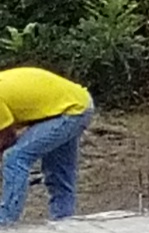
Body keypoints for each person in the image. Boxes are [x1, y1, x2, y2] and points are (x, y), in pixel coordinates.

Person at [0, 65, 90, 224]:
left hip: (70, 111)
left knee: (14, 158)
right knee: (58, 173)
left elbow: (7, 137)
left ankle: (6, 221)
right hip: (76, 104)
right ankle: (64, 220)